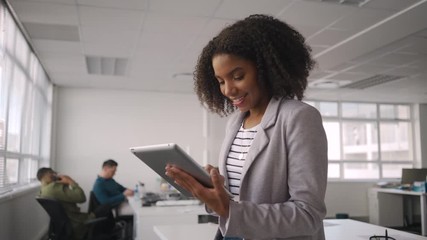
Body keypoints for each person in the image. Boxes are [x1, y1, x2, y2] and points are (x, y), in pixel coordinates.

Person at [165, 14, 328, 240]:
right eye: (221, 81)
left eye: (238, 76)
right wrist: (213, 191)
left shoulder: (299, 117)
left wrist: (230, 210)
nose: (228, 90)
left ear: (266, 69)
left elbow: (307, 215)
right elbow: (235, 200)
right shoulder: (235, 121)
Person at [37, 167, 114, 240]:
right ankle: (113, 234)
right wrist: (70, 181)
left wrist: (64, 184)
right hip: (78, 223)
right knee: (106, 206)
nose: (56, 174)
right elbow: (81, 198)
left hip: (66, 226)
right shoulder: (53, 188)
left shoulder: (43, 191)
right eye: (53, 173)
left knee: (97, 203)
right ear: (50, 174)